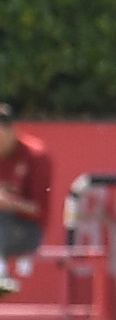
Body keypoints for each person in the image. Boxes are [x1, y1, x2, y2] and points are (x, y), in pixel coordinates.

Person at [0, 104, 48, 294]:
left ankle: (1, 275)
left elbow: (38, 210)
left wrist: (8, 203)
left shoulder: (35, 155)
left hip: (27, 231)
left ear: (11, 130)